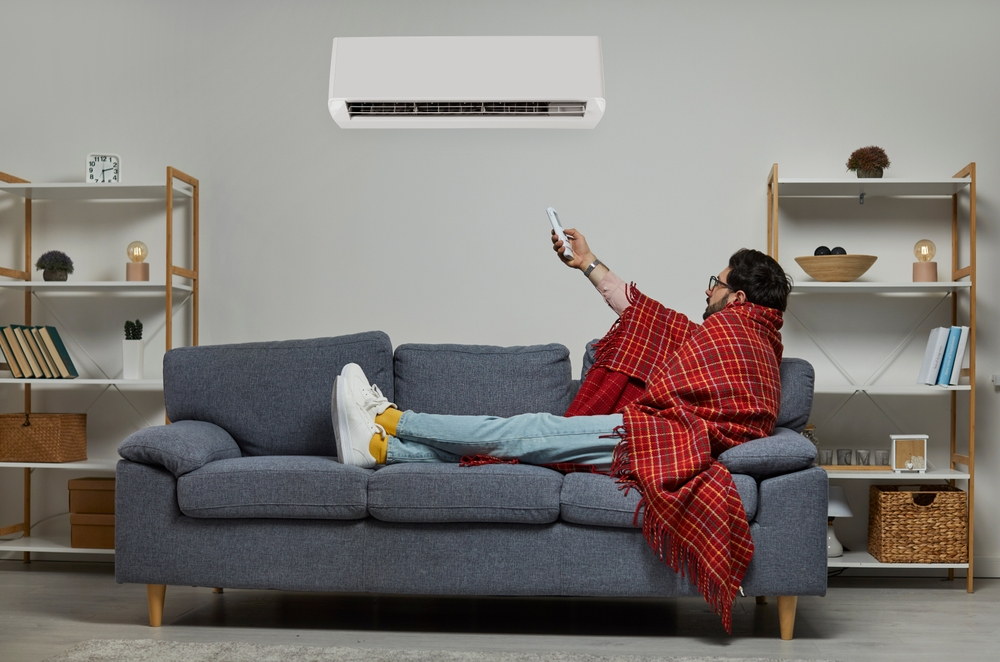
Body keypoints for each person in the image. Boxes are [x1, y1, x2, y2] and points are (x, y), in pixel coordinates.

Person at [331, 225, 792, 633]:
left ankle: (390, 418)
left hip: (657, 440)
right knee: (519, 446)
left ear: (738, 299)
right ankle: (380, 450)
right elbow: (647, 315)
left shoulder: (738, 339)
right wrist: (587, 261)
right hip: (658, 437)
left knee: (527, 430)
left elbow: (656, 325)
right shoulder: (751, 341)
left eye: (717, 283)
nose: (708, 291)